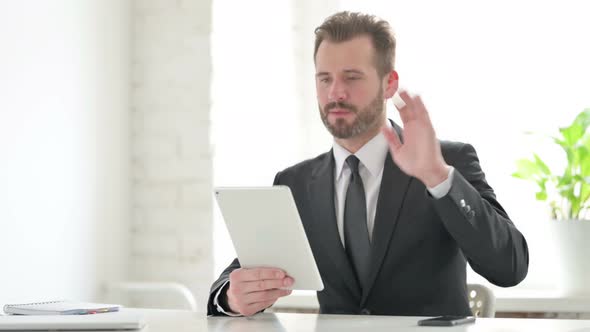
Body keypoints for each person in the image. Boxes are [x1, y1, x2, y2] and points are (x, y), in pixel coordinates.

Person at [207, 11, 529, 317]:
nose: (336, 93)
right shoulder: (297, 183)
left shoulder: (447, 162)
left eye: (352, 77)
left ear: (389, 83)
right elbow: (237, 277)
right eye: (324, 79)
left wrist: (438, 177)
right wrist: (232, 298)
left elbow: (510, 268)